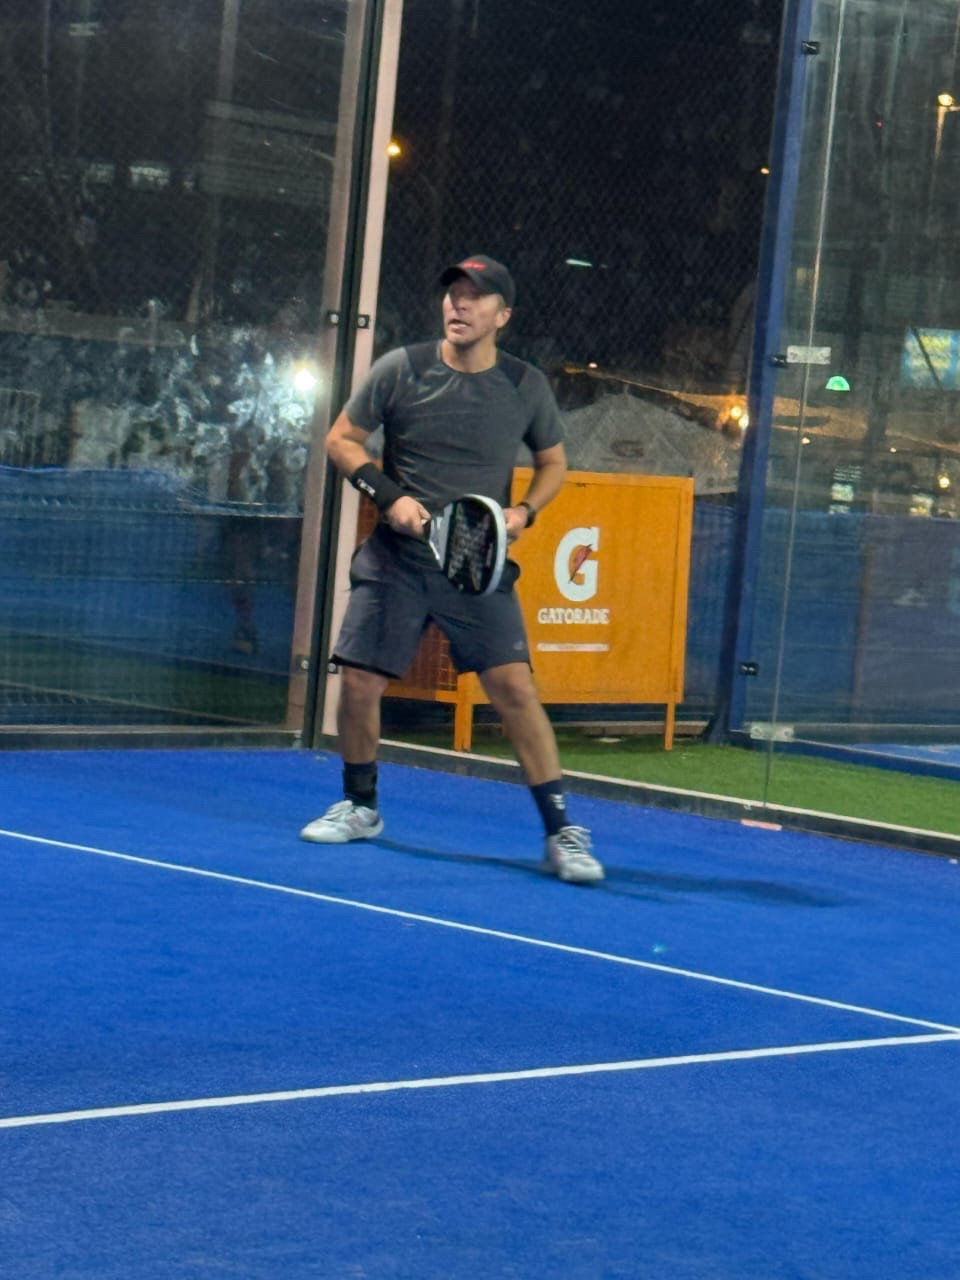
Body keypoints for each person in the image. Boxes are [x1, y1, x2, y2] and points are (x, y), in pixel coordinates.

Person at [300, 254, 604, 884]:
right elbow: (341, 440)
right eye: (453, 294)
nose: (458, 304)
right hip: (396, 559)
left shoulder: (524, 384)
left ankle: (561, 833)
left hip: (476, 565)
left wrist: (523, 512)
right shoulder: (401, 369)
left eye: (475, 296)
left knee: (515, 691)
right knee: (358, 681)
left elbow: (553, 463)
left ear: (502, 315)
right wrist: (389, 497)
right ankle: (360, 806)